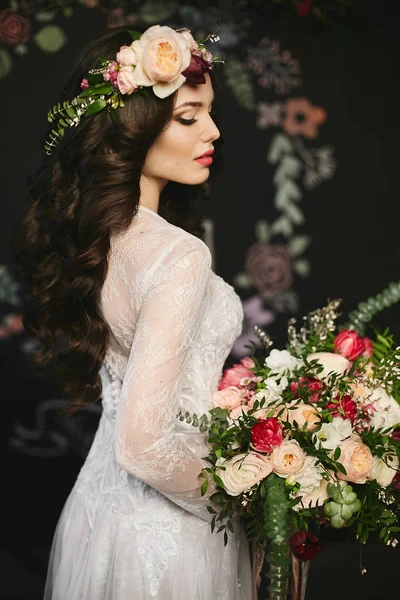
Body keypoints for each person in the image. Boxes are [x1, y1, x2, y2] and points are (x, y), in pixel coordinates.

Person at [14, 24, 253, 600]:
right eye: (190, 116)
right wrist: (252, 494)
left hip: (97, 518)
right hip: (170, 539)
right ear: (130, 128)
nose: (214, 131)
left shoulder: (102, 243)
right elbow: (144, 444)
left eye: (210, 113)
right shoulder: (178, 254)